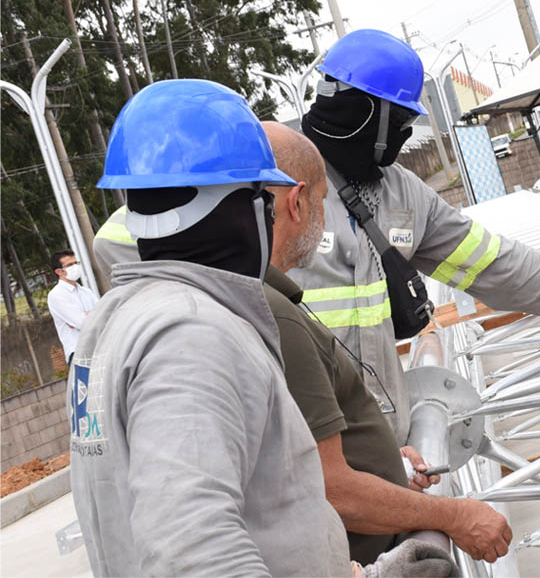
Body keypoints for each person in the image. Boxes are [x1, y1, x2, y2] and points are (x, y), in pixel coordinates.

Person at [70, 79, 453, 577]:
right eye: (261, 196)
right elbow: (195, 553)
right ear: (249, 205)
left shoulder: (111, 323)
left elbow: (257, 497)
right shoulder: (190, 335)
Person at [293, 28, 540, 445]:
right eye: (399, 120)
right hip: (308, 454)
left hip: (379, 443)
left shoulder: (403, 195)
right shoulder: (273, 189)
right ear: (365, 111)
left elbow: (493, 263)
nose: (403, 134)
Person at [263, 121, 512, 565]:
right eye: (323, 203)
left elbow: (293, 460)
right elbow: (332, 489)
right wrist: (454, 516)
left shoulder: (263, 301)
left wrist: (381, 461)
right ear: (298, 202)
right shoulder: (275, 314)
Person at [46, 250, 97, 366]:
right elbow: (82, 323)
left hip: (99, 348)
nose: (75, 267)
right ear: (59, 271)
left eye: (76, 263)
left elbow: (106, 314)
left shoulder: (86, 292)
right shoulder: (56, 295)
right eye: (70, 265)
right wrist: (93, 315)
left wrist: (87, 314)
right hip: (79, 353)